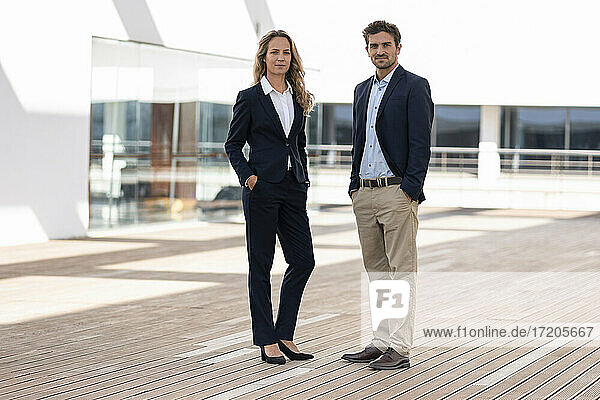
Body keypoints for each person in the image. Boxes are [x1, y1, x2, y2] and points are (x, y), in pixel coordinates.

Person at [341, 20, 433, 370]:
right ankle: (381, 341)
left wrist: (410, 188)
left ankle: (400, 347)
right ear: (367, 50)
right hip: (364, 193)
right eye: (373, 46)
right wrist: (353, 185)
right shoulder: (361, 89)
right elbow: (359, 142)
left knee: (401, 272)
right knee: (377, 273)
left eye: (386, 45)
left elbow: (420, 144)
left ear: (398, 47)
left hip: (397, 191)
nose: (380, 51)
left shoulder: (414, 86)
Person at [224, 30, 315, 365]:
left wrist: (303, 179)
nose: (281, 58)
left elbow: (298, 144)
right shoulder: (249, 97)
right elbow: (232, 144)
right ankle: (266, 340)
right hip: (260, 188)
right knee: (261, 265)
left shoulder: (298, 97)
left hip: (292, 188)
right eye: (275, 52)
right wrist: (248, 177)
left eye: (286, 53)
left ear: (292, 58)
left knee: (303, 260)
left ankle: (285, 334)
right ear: (263, 57)